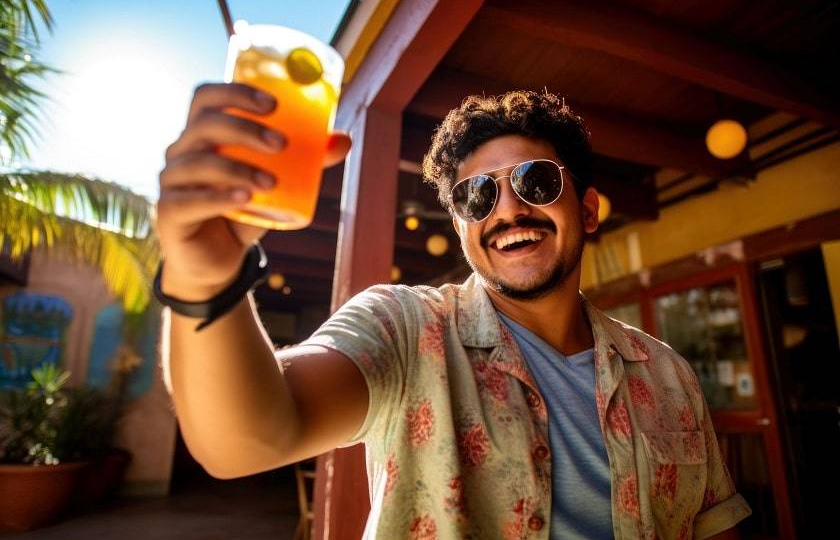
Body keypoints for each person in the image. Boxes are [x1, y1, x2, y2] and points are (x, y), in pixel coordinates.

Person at [157, 85, 751, 539]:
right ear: (464, 229)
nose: (510, 209)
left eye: (537, 182)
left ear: (589, 209)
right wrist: (205, 282)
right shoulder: (406, 329)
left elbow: (712, 526)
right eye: (478, 196)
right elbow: (248, 438)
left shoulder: (668, 374)